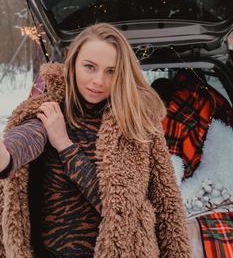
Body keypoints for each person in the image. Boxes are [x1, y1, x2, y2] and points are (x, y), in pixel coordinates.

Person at [0, 23, 191, 258]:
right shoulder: (52, 108)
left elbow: (160, 205)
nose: (98, 81)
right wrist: (6, 156)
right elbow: (29, 135)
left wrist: (65, 146)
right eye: (89, 67)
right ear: (73, 63)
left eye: (111, 71)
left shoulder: (137, 123)